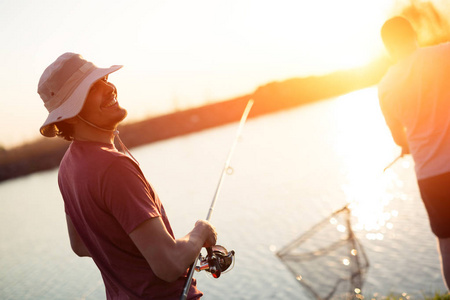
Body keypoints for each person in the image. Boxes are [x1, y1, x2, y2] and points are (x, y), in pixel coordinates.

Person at [37, 52, 217, 299]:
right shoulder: (113, 167)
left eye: (105, 80)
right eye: (93, 88)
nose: (109, 88)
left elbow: (80, 245)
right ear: (72, 113)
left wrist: (137, 250)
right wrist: (201, 231)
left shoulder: (68, 167)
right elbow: (168, 265)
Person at [378, 16, 450, 289]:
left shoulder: (385, 87)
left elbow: (399, 137)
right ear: (413, 34)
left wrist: (407, 146)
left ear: (388, 47)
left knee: (446, 243)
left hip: (429, 177)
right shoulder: (443, 55)